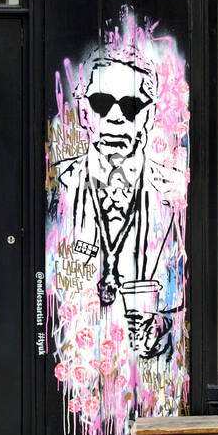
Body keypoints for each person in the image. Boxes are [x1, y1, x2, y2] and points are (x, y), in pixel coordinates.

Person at [48, 52, 186, 360]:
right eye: (100, 103)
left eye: (131, 106)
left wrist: (161, 325)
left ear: (149, 116)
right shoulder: (61, 182)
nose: (115, 117)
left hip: (145, 367)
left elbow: (186, 283)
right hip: (77, 357)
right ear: (84, 112)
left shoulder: (172, 191)